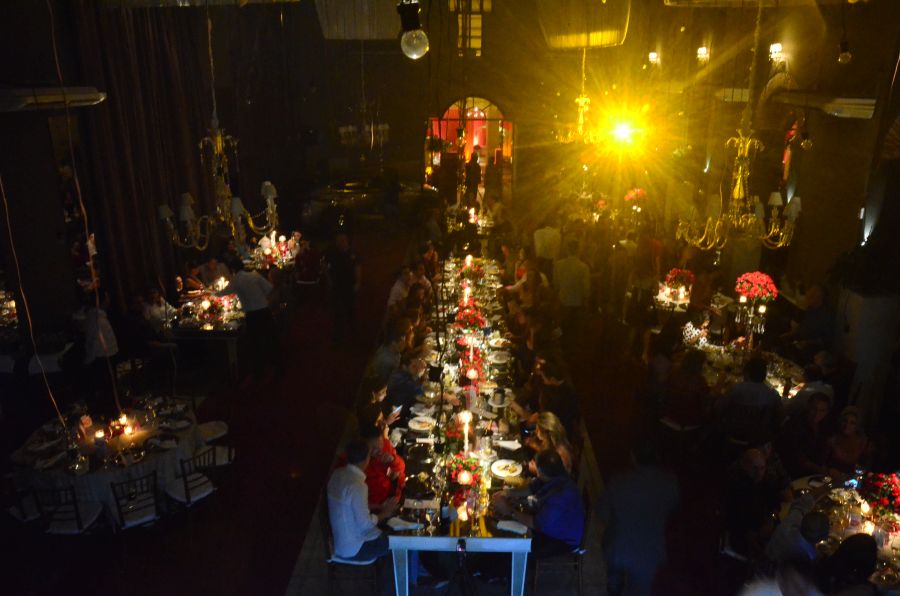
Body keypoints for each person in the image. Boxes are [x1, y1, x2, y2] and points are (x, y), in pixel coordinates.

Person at [598, 444, 679, 596]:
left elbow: (602, 513)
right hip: (650, 552)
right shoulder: (670, 482)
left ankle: (614, 587)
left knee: (614, 574)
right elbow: (672, 508)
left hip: (619, 547)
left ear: (633, 458)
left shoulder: (618, 482)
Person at [492, 449, 585, 558]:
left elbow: (536, 524)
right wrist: (507, 493)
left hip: (563, 540)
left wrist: (509, 510)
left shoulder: (559, 497)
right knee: (514, 521)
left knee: (517, 544)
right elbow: (531, 488)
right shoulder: (555, 474)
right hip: (553, 522)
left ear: (540, 471)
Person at [327, 438, 398, 561]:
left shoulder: (338, 473)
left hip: (342, 543)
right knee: (400, 540)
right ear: (367, 459)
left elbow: (350, 506)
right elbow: (365, 525)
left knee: (393, 530)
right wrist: (385, 513)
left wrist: (379, 506)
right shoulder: (357, 485)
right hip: (355, 548)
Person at [218, 257, 282, 381]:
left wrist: (210, 292)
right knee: (271, 339)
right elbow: (269, 288)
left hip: (252, 315)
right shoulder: (254, 275)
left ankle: (259, 372)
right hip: (265, 310)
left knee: (255, 343)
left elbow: (222, 293)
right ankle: (278, 367)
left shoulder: (236, 280)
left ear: (232, 270)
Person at [717, 357, 782, 446]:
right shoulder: (773, 394)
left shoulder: (735, 390)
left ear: (746, 374)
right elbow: (779, 417)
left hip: (732, 436)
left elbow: (719, 408)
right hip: (758, 441)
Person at [357, 404, 406, 509]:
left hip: (393, 496)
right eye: (373, 450)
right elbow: (359, 504)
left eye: (380, 446)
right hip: (377, 508)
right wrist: (381, 507)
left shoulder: (385, 444)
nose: (379, 452)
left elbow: (401, 467)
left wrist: (393, 460)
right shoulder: (357, 463)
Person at [764, 493, 830, 564]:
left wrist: (829, 487)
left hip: (766, 557)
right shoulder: (810, 556)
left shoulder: (791, 522)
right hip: (771, 567)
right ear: (822, 538)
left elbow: (805, 502)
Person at [778, 393, 832, 478]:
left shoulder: (824, 426)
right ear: (808, 407)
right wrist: (821, 470)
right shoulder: (795, 425)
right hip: (791, 473)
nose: (817, 413)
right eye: (814, 409)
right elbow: (797, 457)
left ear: (827, 412)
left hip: (813, 473)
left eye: (822, 410)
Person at [324, 232, 361, 345]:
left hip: (349, 286)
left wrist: (358, 283)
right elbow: (326, 267)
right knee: (337, 312)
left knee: (351, 310)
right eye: (339, 240)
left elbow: (357, 268)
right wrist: (329, 280)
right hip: (336, 287)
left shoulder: (352, 254)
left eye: (343, 240)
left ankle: (353, 334)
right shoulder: (332, 254)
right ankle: (338, 336)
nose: (341, 242)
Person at [553, 240, 591, 346]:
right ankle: (572, 348)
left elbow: (556, 285)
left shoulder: (558, 265)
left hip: (562, 301)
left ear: (567, 250)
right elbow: (586, 289)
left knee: (561, 327)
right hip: (577, 303)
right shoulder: (583, 267)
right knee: (574, 330)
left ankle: (559, 346)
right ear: (578, 250)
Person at [826, 406, 875, 481]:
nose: (847, 425)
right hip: (833, 479)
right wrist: (830, 470)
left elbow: (867, 467)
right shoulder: (832, 440)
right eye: (845, 421)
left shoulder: (864, 443)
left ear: (857, 426)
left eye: (852, 423)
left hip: (855, 480)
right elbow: (824, 463)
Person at [385, 354, 427, 420]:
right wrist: (419, 375)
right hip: (396, 417)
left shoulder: (402, 373)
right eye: (414, 366)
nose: (417, 369)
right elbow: (421, 395)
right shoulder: (400, 378)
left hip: (400, 411)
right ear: (404, 366)